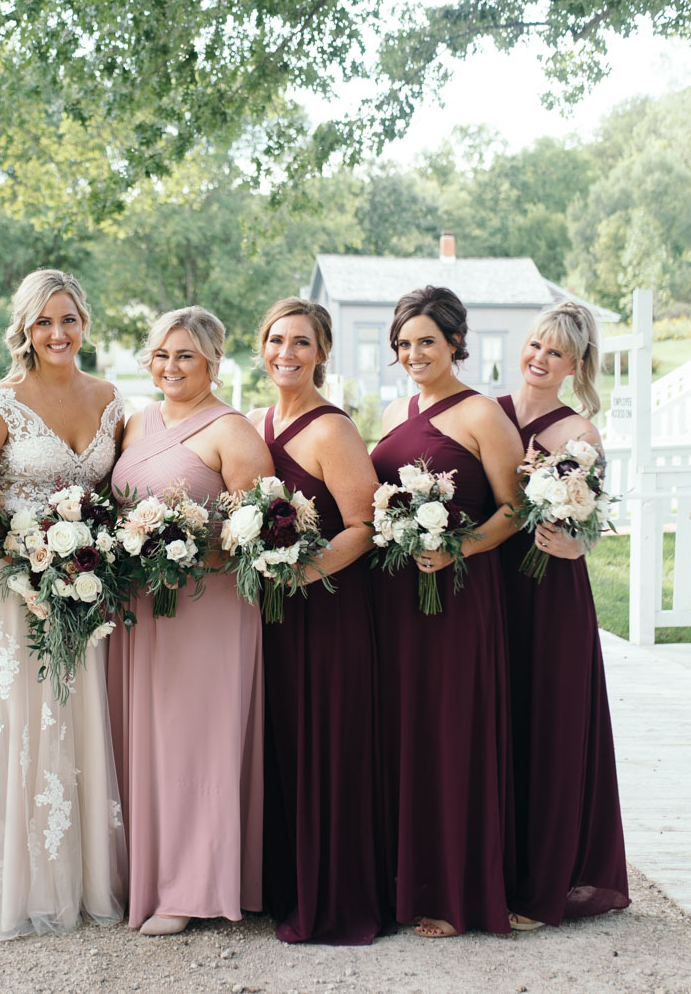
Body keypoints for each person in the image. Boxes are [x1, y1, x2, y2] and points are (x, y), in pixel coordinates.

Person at [0, 268, 127, 942]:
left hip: (83, 583)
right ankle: (18, 875)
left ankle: (86, 871)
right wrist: (26, 554)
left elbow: (115, 495)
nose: (57, 333)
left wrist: (89, 557)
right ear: (25, 328)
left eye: (68, 318)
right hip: (13, 585)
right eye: (44, 321)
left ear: (84, 323)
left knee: (76, 711)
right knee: (22, 715)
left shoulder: (109, 400)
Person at [107, 306, 273, 937]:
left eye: (185, 356)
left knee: (196, 742)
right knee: (145, 735)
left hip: (208, 605)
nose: (170, 367)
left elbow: (254, 529)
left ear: (211, 362)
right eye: (160, 355)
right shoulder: (136, 421)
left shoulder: (232, 430)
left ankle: (191, 886)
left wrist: (185, 549)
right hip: (138, 605)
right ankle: (144, 874)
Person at [367, 285, 523, 938]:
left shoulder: (482, 414)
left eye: (426, 341)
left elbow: (514, 510)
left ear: (456, 342)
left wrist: (461, 545)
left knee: (454, 733)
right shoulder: (404, 407)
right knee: (412, 732)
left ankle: (459, 892)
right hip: (401, 602)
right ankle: (415, 879)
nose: (413, 354)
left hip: (459, 597)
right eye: (403, 344)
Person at [248, 298, 392, 944]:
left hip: (329, 608)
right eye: (277, 340)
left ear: (322, 353)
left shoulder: (332, 431)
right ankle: (285, 885)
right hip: (272, 614)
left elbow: (366, 525)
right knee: (282, 741)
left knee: (327, 744)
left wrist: (306, 573)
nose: (287, 353)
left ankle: (335, 896)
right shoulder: (255, 422)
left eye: (302, 342)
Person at [498, 301, 629, 930]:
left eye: (555, 352)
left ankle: (544, 884)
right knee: (496, 726)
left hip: (550, 593)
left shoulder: (579, 433)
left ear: (575, 364)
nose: (540, 359)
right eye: (534, 345)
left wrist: (574, 542)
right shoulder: (489, 413)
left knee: (545, 725)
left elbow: (591, 519)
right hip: (494, 585)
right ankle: (488, 870)